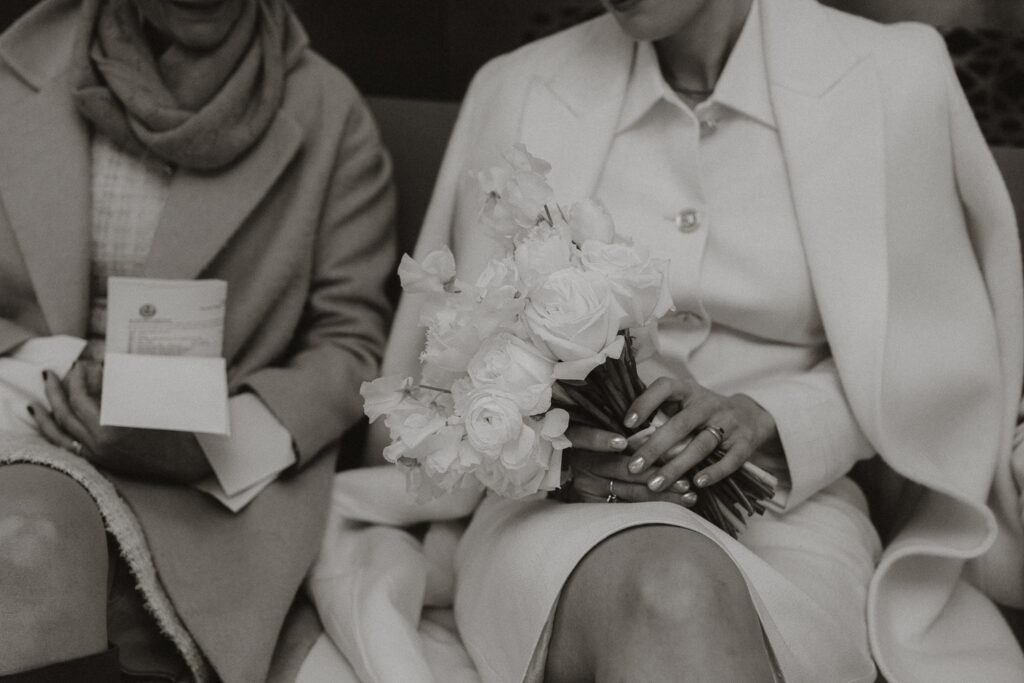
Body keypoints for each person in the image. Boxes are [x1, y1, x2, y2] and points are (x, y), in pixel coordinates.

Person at [372, 0, 1024, 680]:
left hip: (792, 516)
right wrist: (558, 462)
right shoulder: (515, 85)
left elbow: (938, 355)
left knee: (682, 596)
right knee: (670, 591)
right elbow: (455, 364)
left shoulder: (897, 74)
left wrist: (778, 419)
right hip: (550, 519)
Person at [0, 0, 396, 680]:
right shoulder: (14, 75)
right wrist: (60, 373)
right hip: (22, 403)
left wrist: (212, 442)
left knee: (29, 548)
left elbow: (351, 345)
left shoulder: (330, 112)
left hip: (207, 482)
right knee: (24, 536)